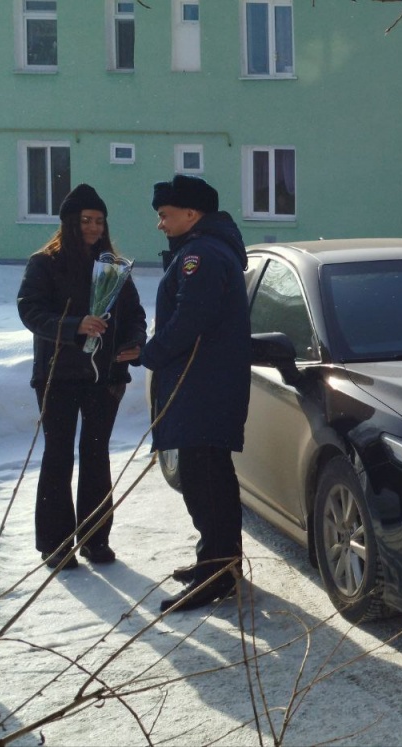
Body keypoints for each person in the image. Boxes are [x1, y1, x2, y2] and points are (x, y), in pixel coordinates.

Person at [17, 183, 147, 570]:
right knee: (58, 457)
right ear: (69, 223)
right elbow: (30, 312)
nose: (92, 227)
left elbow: (135, 314)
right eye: (85, 220)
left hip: (105, 378)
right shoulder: (44, 263)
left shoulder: (113, 266)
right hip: (57, 375)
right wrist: (75, 325)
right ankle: (56, 544)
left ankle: (95, 539)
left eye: (99, 221)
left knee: (96, 456)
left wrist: (134, 342)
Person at [143, 175, 251, 612]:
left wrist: (152, 352)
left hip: (202, 386)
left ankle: (217, 574)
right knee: (210, 479)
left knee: (205, 481)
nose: (160, 224)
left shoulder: (201, 255)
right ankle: (218, 560)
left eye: (165, 215)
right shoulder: (204, 249)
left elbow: (192, 318)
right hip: (206, 383)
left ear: (192, 213)